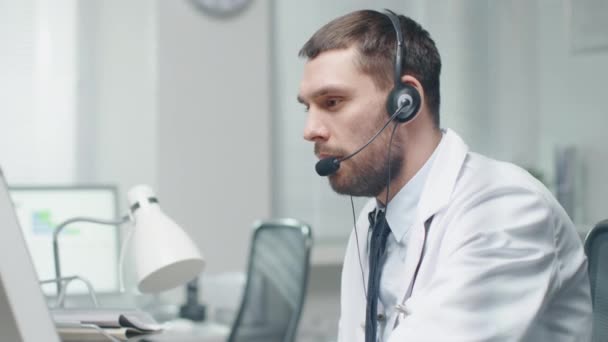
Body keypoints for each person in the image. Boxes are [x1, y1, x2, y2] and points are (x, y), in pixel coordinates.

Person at [296, 9, 592, 342]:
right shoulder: (373, 224)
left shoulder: (506, 210)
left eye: (332, 102)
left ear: (405, 102)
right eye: (308, 107)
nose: (310, 130)